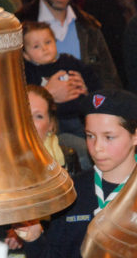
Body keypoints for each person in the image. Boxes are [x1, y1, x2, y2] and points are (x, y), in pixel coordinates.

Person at [11, 89, 137, 258]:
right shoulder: (69, 191)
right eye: (90, 136)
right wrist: (34, 240)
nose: (97, 147)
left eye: (109, 137)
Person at [16, 0, 121, 97]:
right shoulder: (16, 27)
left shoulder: (90, 27)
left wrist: (90, 94)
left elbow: (111, 83)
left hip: (84, 116)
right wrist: (46, 94)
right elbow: (6, 90)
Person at [23, 21, 101, 169]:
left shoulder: (69, 61)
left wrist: (87, 91)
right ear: (26, 55)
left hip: (79, 118)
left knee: (93, 144)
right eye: (36, 46)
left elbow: (94, 81)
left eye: (48, 42)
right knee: (81, 150)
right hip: (55, 125)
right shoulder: (29, 72)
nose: (45, 48)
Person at [27, 84, 81, 174]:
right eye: (24, 113)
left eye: (38, 116)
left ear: (51, 124)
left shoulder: (68, 157)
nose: (29, 122)